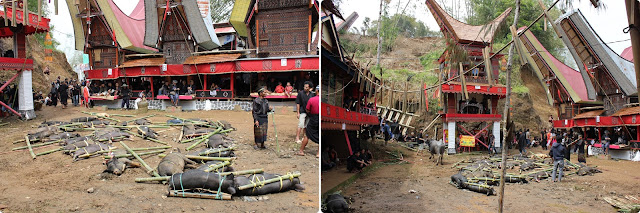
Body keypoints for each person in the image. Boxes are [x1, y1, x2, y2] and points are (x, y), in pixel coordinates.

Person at [297, 85, 320, 156]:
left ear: (316, 91)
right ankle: (318, 153)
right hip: (321, 118)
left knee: (307, 134)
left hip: (313, 118)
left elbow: (307, 109)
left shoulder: (312, 99)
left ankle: (301, 151)